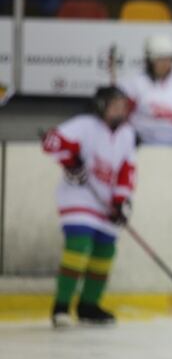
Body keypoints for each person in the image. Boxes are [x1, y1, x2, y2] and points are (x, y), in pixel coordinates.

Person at [42, 86, 136, 328]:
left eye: (123, 106)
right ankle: (61, 306)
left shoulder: (127, 134)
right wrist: (70, 160)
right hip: (79, 197)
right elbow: (51, 141)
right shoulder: (84, 125)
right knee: (79, 244)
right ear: (102, 106)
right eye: (115, 105)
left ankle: (88, 306)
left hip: (106, 202)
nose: (120, 110)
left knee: (105, 252)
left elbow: (127, 169)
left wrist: (120, 201)